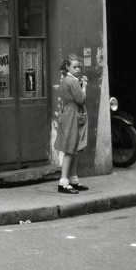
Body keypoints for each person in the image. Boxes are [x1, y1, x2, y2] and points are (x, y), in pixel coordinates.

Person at [55, 54, 89, 194]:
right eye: (75, 67)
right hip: (72, 115)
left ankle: (73, 179)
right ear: (68, 67)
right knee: (70, 148)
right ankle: (63, 182)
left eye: (79, 67)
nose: (78, 69)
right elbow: (81, 99)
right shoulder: (72, 81)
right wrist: (84, 86)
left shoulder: (68, 79)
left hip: (70, 113)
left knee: (74, 148)